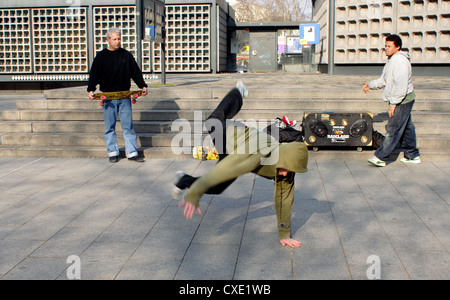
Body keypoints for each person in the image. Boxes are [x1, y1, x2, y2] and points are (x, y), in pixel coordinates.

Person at [174, 82, 308, 248]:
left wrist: (284, 233)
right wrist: (194, 193)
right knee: (213, 122)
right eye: (285, 170)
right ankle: (238, 92)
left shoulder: (288, 169)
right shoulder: (260, 151)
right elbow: (227, 168)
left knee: (218, 187)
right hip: (231, 134)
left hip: (237, 153)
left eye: (289, 172)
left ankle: (184, 179)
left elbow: (285, 199)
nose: (284, 175)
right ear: (281, 157)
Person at [87, 27, 148, 163]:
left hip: (125, 96)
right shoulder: (101, 56)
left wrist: (142, 86)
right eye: (115, 39)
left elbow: (135, 72)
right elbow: (94, 75)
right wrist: (91, 89)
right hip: (108, 97)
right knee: (110, 127)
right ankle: (113, 152)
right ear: (108, 39)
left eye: (119, 39)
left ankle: (132, 152)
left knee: (128, 126)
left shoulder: (126, 55)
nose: (117, 41)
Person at [362, 34, 420, 167]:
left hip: (403, 100)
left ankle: (381, 156)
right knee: (407, 128)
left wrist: (393, 104)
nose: (386, 48)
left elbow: (401, 85)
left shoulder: (400, 61)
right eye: (385, 46)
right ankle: (413, 155)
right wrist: (370, 85)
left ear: (398, 47)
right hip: (402, 99)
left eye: (389, 46)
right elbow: (384, 80)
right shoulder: (391, 60)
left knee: (393, 128)